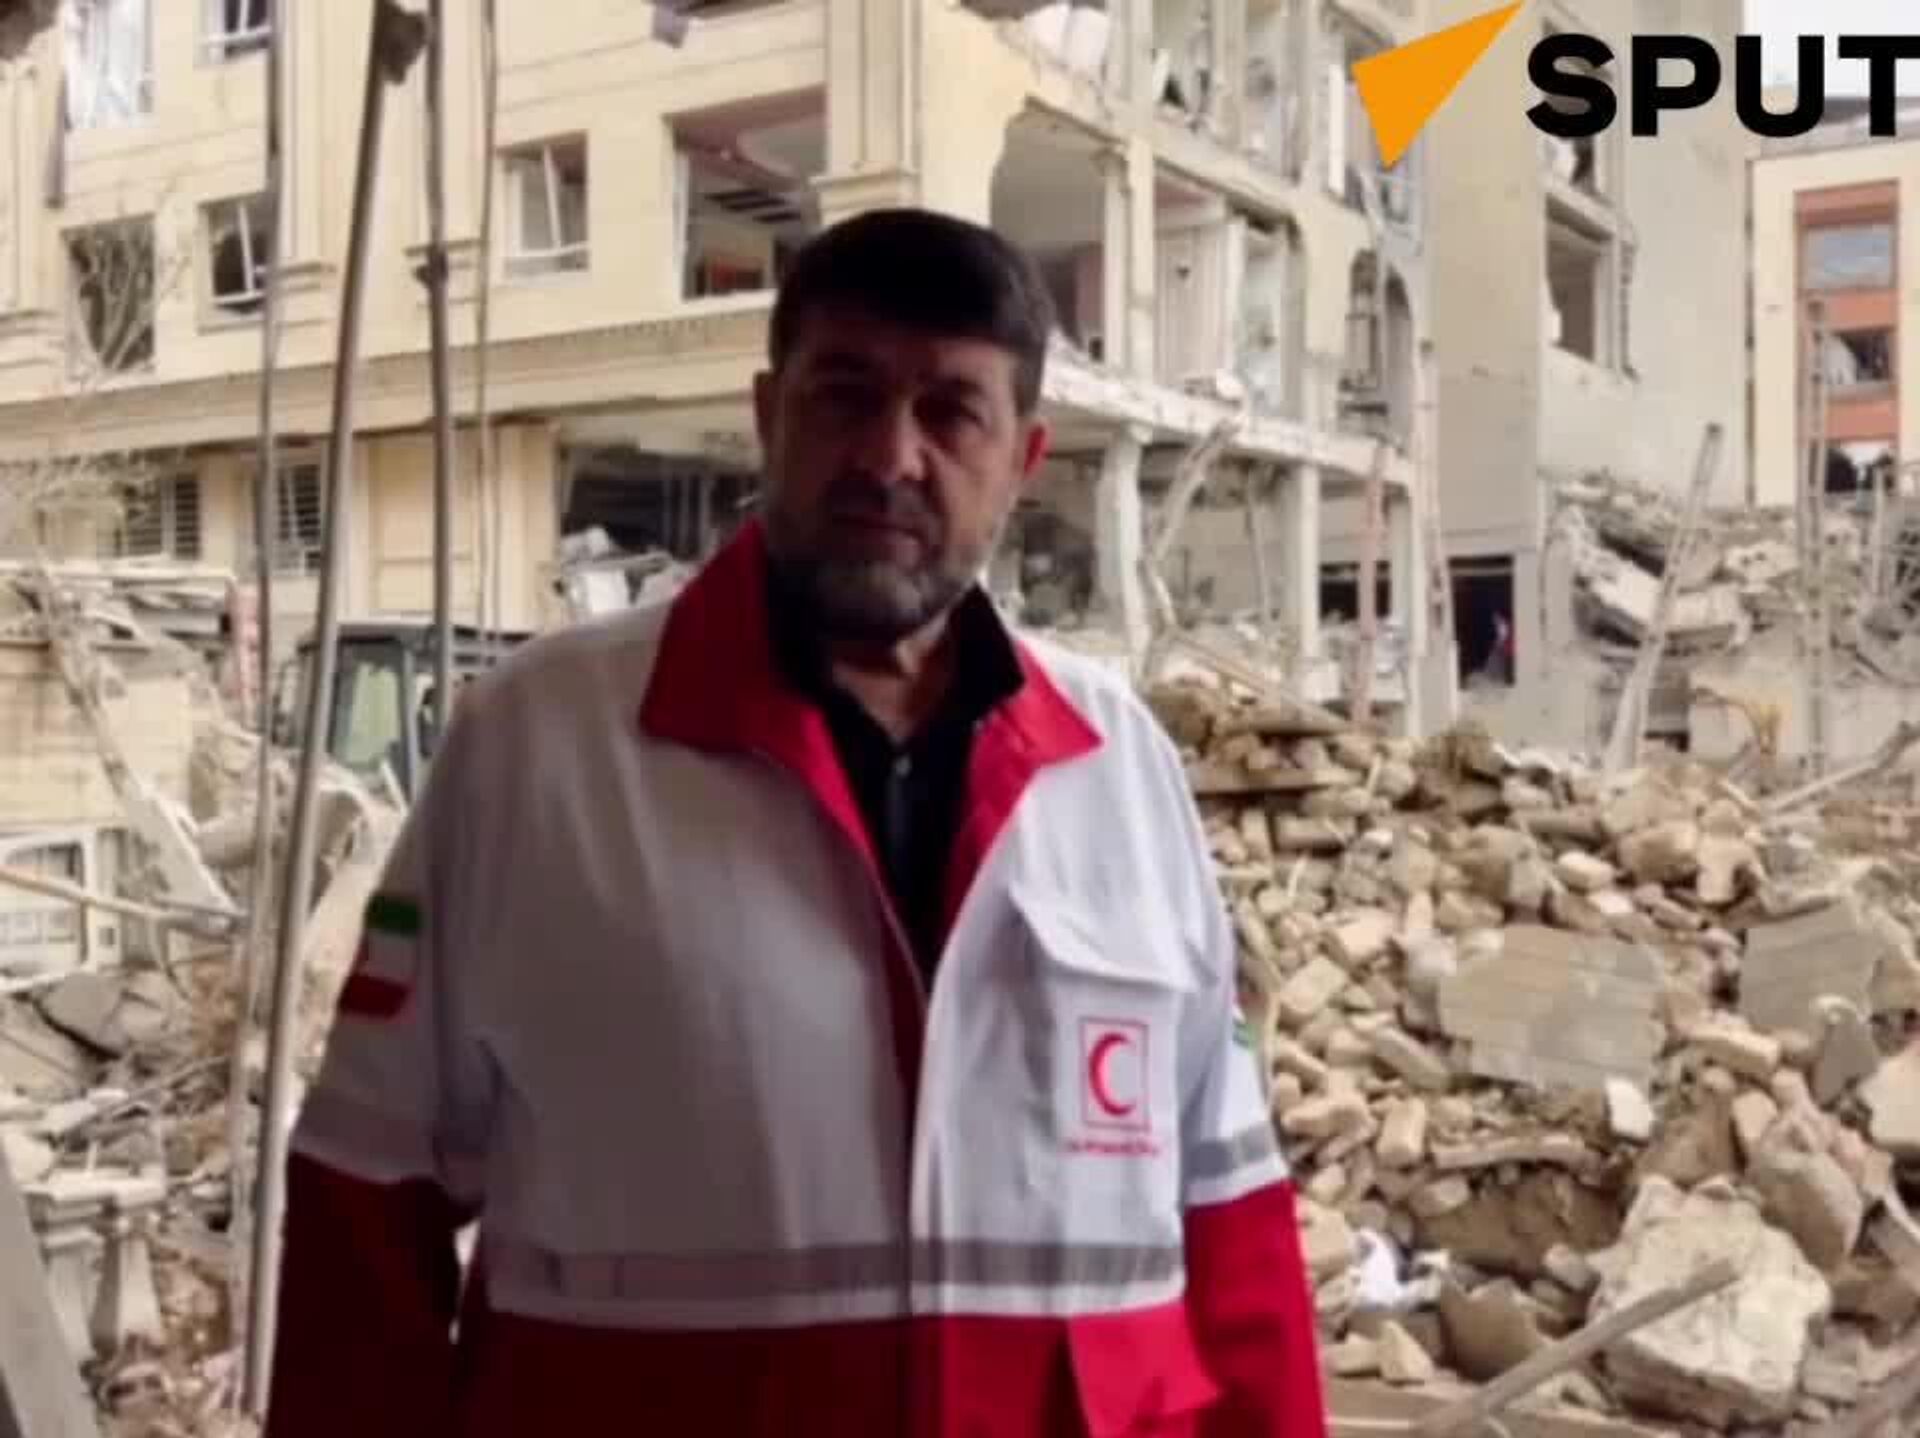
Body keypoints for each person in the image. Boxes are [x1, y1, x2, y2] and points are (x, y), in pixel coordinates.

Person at [265, 207, 1326, 1438]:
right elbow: (363, 1218)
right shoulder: (539, 748)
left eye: (951, 411)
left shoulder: (1120, 767)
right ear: (769, 415)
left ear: (1025, 459)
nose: (891, 455)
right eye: (846, 395)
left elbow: (1234, 1231)